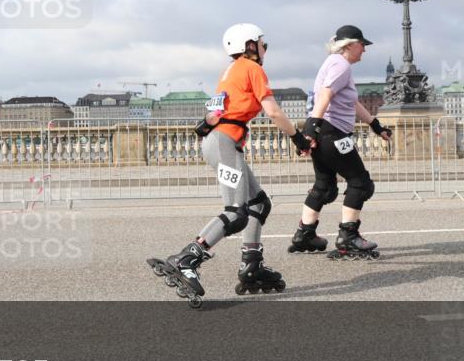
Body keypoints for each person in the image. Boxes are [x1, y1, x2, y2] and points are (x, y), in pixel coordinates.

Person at [147, 23, 313, 307]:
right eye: (263, 44)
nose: (265, 49)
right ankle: (186, 259)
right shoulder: (252, 68)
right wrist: (298, 138)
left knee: (258, 205)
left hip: (221, 141)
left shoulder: (230, 72)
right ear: (249, 45)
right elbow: (273, 111)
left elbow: (212, 115)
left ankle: (251, 265)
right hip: (224, 144)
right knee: (236, 213)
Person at [287, 25, 392, 260]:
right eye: (362, 44)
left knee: (324, 184)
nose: (364, 49)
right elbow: (325, 95)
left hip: (324, 131)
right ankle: (349, 237)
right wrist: (312, 127)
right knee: (360, 182)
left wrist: (375, 126)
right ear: (349, 45)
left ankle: (305, 234)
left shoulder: (334, 63)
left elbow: (352, 104)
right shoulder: (341, 64)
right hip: (332, 133)